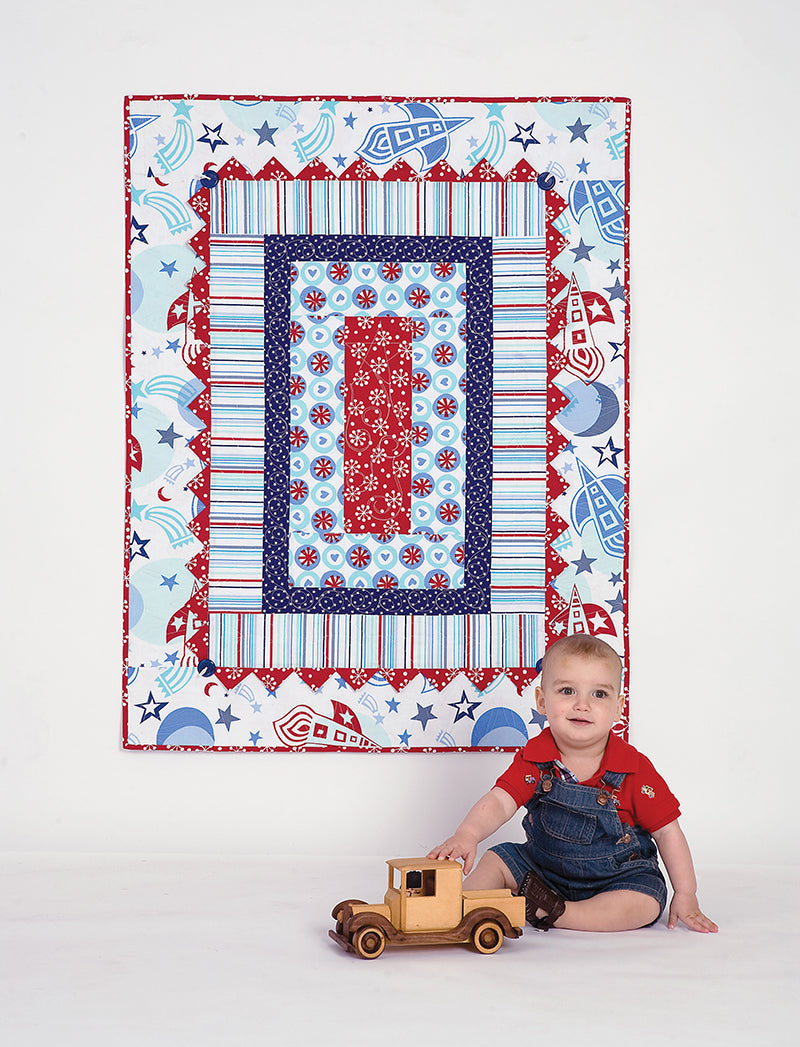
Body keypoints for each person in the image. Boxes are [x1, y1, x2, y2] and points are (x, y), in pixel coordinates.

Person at [428, 634, 718, 933]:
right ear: (542, 701)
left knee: (645, 902)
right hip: (543, 872)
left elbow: (667, 831)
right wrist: (468, 834)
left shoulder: (634, 768)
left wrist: (686, 893)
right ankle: (462, 911)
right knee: (495, 860)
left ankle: (559, 913)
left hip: (617, 878)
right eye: (567, 691)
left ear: (619, 707)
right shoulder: (535, 759)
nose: (582, 705)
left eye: (599, 694)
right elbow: (501, 801)